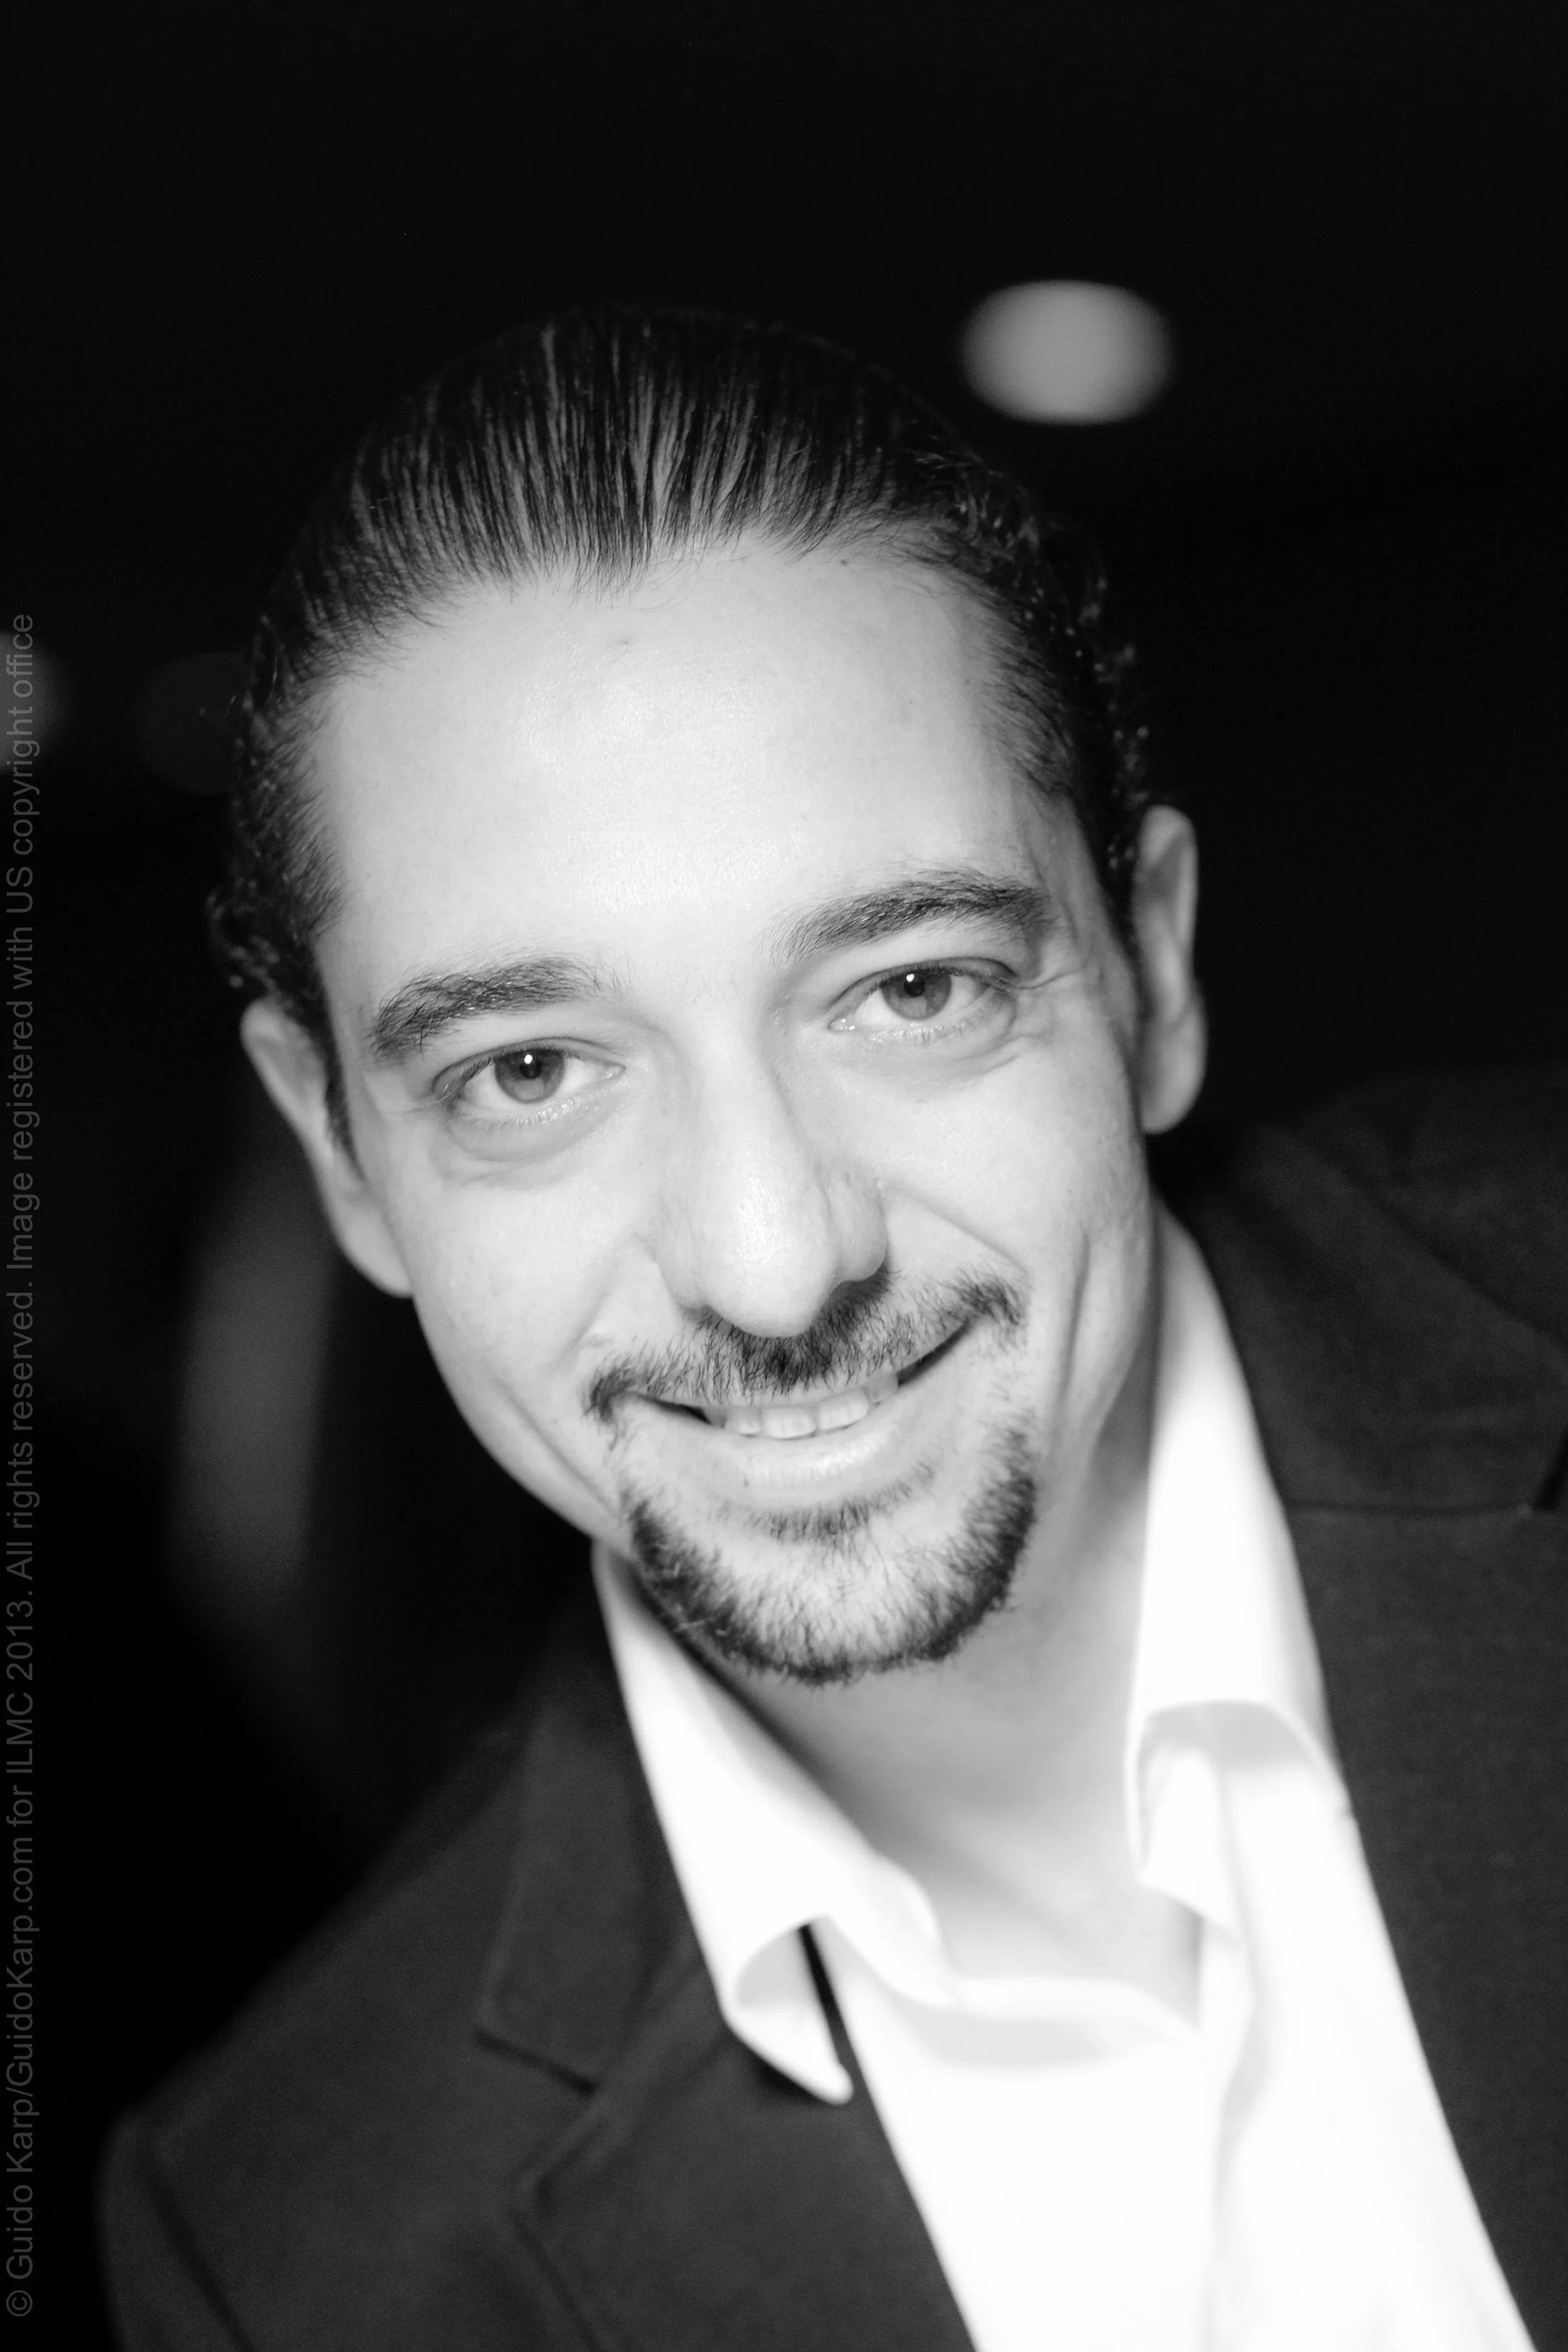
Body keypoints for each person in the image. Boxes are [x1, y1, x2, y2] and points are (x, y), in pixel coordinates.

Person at [101, 309, 1566, 2351]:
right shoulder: (295, 2255)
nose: (775, 1265)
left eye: (909, 988)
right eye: (530, 1071)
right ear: (341, 1153)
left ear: (1148, 969)